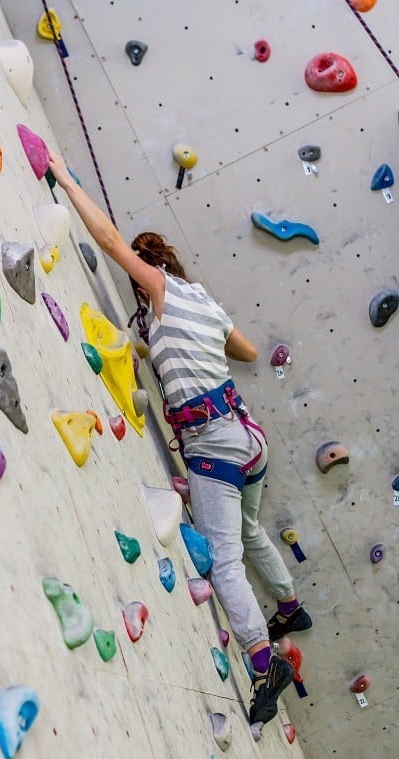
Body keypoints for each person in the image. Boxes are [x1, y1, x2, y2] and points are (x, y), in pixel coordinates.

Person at [48, 151, 312, 727]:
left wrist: (66, 178)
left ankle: (264, 662)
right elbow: (246, 352)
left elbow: (112, 241)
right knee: (245, 529)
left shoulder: (162, 295)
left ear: (148, 272)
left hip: (215, 447)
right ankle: (290, 605)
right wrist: (196, 345)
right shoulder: (204, 302)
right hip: (248, 437)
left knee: (223, 563)